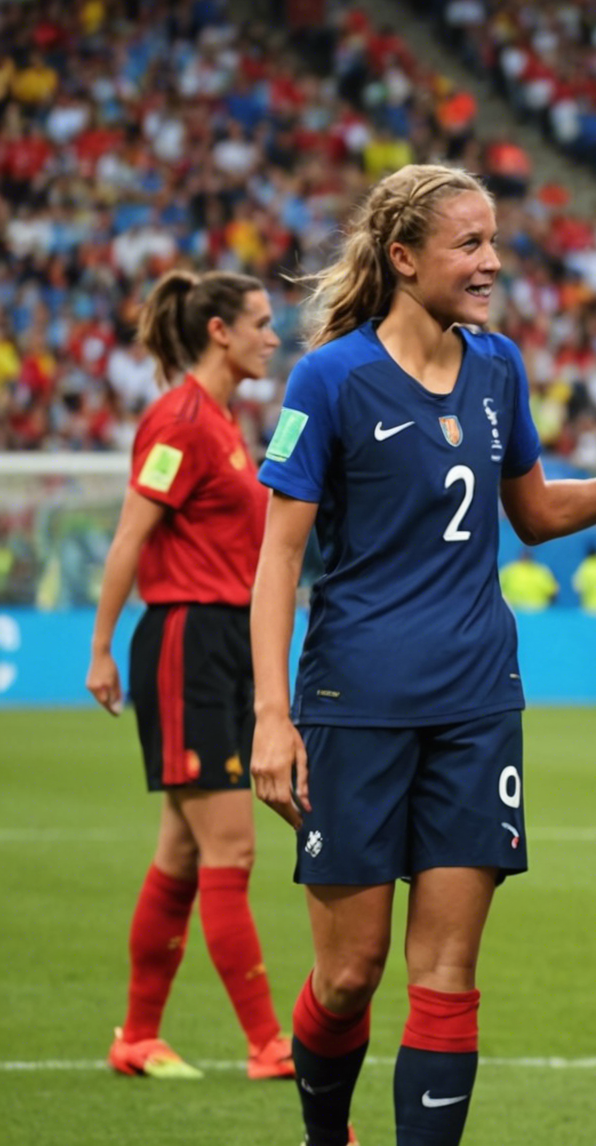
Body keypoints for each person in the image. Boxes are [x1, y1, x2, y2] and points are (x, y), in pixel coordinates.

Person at [249, 163, 596, 1146]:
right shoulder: (329, 378)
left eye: (493, 242)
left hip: (475, 705)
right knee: (348, 975)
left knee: (447, 973)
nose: (491, 263)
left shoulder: (499, 366)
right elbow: (278, 558)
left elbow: (540, 513)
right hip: (354, 702)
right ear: (403, 256)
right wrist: (269, 714)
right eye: (469, 245)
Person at [86, 269, 293, 1083]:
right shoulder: (180, 423)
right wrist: (101, 646)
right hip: (187, 641)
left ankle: (137, 1035)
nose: (274, 337)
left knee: (181, 853)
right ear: (219, 331)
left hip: (225, 641)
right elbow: (130, 537)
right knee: (230, 851)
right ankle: (267, 1045)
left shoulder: (223, 422)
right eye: (263, 322)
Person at [498, 547, 558, 612]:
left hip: (536, 610)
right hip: (519, 609)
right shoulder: (510, 569)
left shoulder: (541, 571)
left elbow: (553, 591)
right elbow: (554, 591)